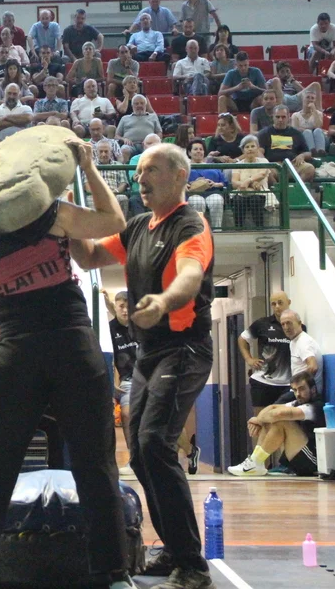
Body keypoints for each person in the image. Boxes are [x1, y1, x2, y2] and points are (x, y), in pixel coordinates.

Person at [0, 130, 131, 589]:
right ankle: (114, 574)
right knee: (95, 463)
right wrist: (87, 169)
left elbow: (76, 251)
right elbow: (114, 220)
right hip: (71, 345)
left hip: (16, 353)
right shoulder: (46, 214)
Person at [68, 141, 214, 589]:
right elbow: (88, 257)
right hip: (150, 354)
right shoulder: (136, 227)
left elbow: (190, 276)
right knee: (140, 450)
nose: (139, 178)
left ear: (179, 176)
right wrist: (67, 221)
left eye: (150, 170)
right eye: (138, 171)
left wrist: (164, 302)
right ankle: (173, 549)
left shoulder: (191, 224)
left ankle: (192, 565)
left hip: (185, 350)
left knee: (154, 444)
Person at [227, 371, 325, 478]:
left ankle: (255, 462)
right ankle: (256, 462)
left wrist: (258, 420)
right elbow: (272, 407)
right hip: (300, 459)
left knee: (281, 420)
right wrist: (260, 420)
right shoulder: (296, 403)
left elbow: (278, 414)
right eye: (295, 390)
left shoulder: (316, 406)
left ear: (313, 389)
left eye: (302, 389)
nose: (298, 394)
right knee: (270, 421)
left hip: (313, 462)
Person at [238, 291, 296, 414]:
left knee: (282, 420)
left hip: (287, 384)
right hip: (263, 383)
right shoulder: (262, 324)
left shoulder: (296, 326)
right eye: (273, 304)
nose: (277, 307)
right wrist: (249, 359)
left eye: (280, 303)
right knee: (261, 420)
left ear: (289, 302)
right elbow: (242, 339)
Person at [103, 289, 139, 478]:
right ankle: (135, 460)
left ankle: (189, 451)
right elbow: (109, 357)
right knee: (126, 414)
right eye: (121, 306)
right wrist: (112, 381)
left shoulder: (141, 324)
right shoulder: (110, 330)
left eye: (128, 307)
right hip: (128, 380)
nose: (125, 310)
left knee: (163, 417)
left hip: (150, 377)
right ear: (115, 307)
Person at [257, 106, 316, 183]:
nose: (280, 120)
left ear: (288, 117)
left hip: (292, 165)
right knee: (265, 172)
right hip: (273, 166)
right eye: (277, 117)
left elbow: (308, 153)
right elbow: (259, 152)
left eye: (283, 117)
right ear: (273, 117)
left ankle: (297, 188)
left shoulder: (297, 133)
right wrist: (266, 163)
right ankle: (278, 189)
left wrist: (302, 155)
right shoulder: (264, 133)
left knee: (310, 168)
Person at [185, 140, 225, 229]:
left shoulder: (213, 166)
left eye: (201, 149)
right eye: (195, 149)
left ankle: (217, 229)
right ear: (189, 152)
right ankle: (199, 230)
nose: (198, 151)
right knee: (198, 201)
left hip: (212, 193)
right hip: (193, 195)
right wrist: (185, 185)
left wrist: (215, 184)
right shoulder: (184, 168)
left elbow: (224, 183)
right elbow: (177, 182)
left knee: (217, 200)